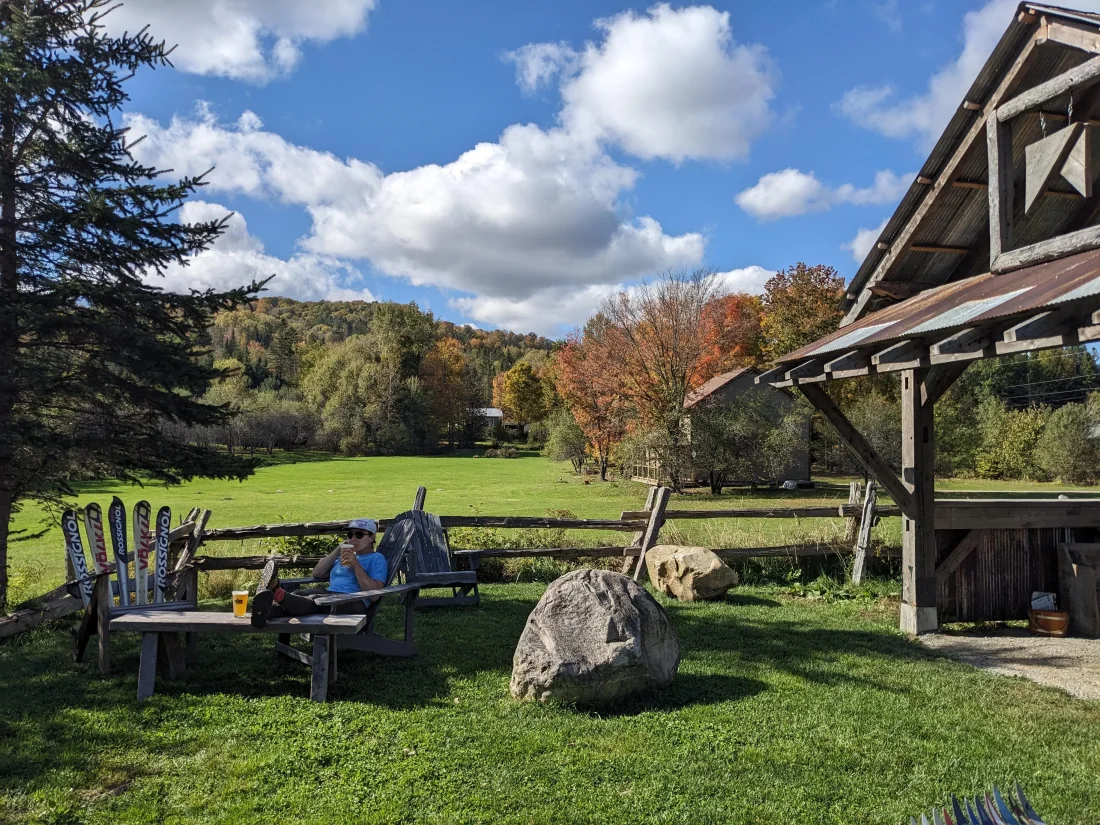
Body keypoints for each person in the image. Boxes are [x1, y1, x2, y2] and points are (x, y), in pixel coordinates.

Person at [250, 517, 387, 628]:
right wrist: (337, 551)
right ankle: (265, 613)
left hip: (353, 602)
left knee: (315, 599)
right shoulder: (345, 555)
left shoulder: (377, 559)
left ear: (371, 537)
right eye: (350, 534)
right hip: (332, 596)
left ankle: (276, 592)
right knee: (299, 594)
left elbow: (374, 595)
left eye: (359, 534)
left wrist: (356, 565)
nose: (353, 538)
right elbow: (317, 573)